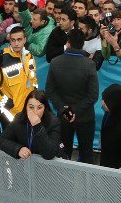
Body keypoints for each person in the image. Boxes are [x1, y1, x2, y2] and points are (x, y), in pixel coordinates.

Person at [44, 28, 99, 163]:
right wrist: (75, 111)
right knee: (86, 153)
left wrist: (65, 110)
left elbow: (50, 90)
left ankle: (63, 183)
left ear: (68, 43)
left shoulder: (55, 62)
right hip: (85, 117)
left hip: (63, 117)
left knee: (63, 152)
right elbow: (93, 95)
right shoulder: (90, 65)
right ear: (82, 44)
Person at [0, 25, 39, 127]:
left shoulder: (29, 56)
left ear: (24, 40)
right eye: (13, 40)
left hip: (27, 110)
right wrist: (6, 103)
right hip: (10, 114)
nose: (16, 43)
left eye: (19, 39)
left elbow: (33, 79)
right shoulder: (2, 59)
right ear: (10, 40)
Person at [0, 88, 62, 160]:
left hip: (44, 166)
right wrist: (18, 149)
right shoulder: (19, 118)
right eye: (31, 107)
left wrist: (38, 126)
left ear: (45, 108)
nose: (35, 112)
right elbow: (1, 140)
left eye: (39, 107)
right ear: (26, 107)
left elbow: (49, 154)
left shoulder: (53, 122)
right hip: (24, 164)